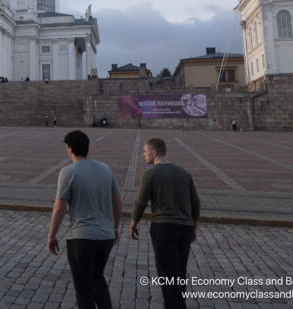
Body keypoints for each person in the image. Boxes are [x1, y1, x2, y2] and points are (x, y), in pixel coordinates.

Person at [47, 130, 122, 309]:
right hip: (106, 236)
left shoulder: (68, 172)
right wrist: (115, 227)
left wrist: (52, 235)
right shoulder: (105, 169)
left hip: (82, 237)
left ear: (70, 148)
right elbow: (118, 201)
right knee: (97, 277)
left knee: (84, 288)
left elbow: (59, 208)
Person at [130, 138, 200, 309]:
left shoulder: (150, 174)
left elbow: (140, 202)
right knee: (179, 273)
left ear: (154, 153)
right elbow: (195, 204)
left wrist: (133, 223)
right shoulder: (184, 173)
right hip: (185, 228)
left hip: (164, 227)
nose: (143, 155)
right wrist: (193, 228)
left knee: (167, 275)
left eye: (145, 151)